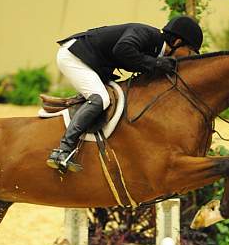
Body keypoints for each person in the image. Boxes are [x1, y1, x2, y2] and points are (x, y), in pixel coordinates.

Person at [46, 15, 204, 173]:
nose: (189, 57)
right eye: (190, 52)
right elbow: (122, 49)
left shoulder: (158, 50)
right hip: (74, 56)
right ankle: (62, 150)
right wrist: (155, 63)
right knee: (101, 98)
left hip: (93, 62)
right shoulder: (146, 34)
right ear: (177, 42)